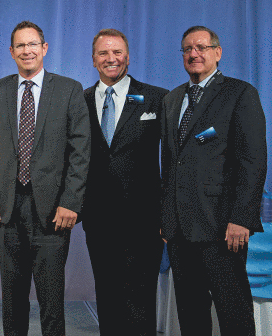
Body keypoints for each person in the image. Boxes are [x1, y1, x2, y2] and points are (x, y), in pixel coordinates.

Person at [0, 21, 90, 335]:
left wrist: (71, 202)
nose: (26, 51)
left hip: (53, 212)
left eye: (32, 44)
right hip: (8, 209)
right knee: (12, 298)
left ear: (44, 48)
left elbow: (80, 152)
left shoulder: (69, 89)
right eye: (20, 46)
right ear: (12, 52)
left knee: (51, 299)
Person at [160, 26, 267, 335]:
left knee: (233, 313)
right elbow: (169, 166)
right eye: (187, 49)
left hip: (222, 227)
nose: (194, 54)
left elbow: (253, 161)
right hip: (180, 230)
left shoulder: (239, 93)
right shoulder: (172, 100)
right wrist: (166, 219)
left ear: (217, 53)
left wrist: (241, 218)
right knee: (191, 315)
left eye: (202, 47)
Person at [82, 29, 167, 335]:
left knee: (140, 299)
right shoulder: (81, 101)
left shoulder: (158, 98)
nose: (111, 59)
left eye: (117, 52)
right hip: (98, 218)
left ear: (128, 56)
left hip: (144, 219)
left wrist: (167, 214)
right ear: (94, 60)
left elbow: (172, 160)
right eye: (103, 53)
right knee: (107, 295)